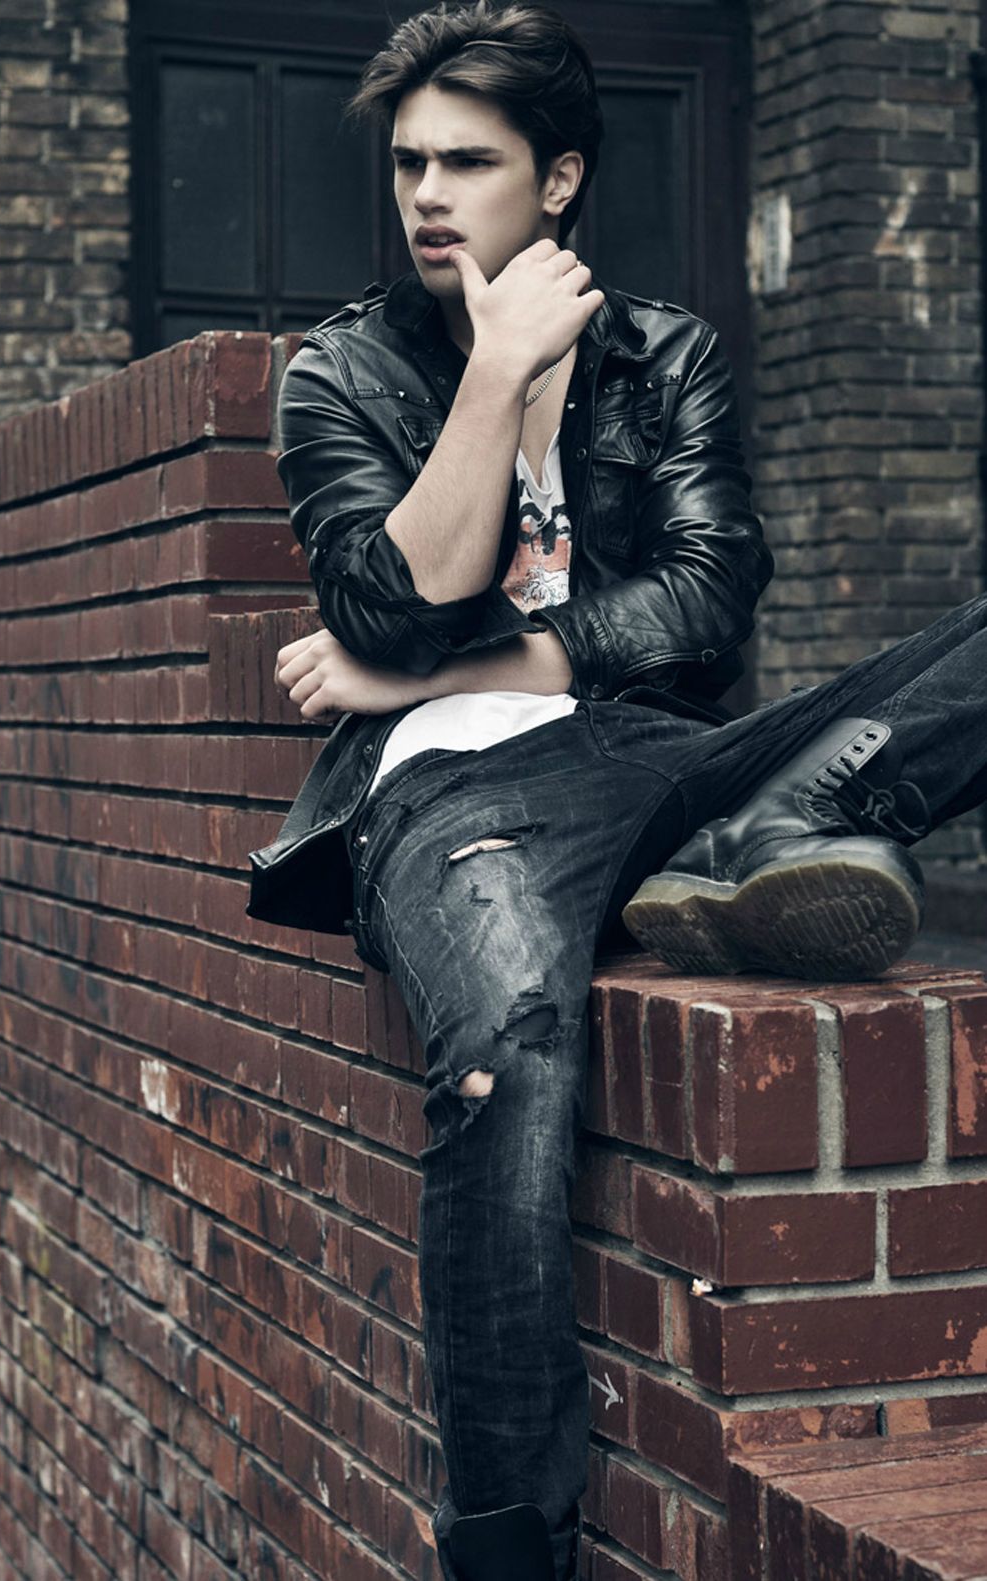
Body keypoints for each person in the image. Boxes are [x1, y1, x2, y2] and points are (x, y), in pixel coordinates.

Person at [246, 4, 987, 1575]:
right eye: (408, 162)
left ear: (560, 178)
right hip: (457, 797)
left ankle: (783, 824)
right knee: (505, 1055)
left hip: (659, 761)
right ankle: (509, 1537)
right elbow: (386, 602)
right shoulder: (340, 373)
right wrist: (494, 372)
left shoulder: (667, 355)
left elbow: (710, 603)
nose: (426, 193)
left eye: (468, 162)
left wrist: (441, 665)